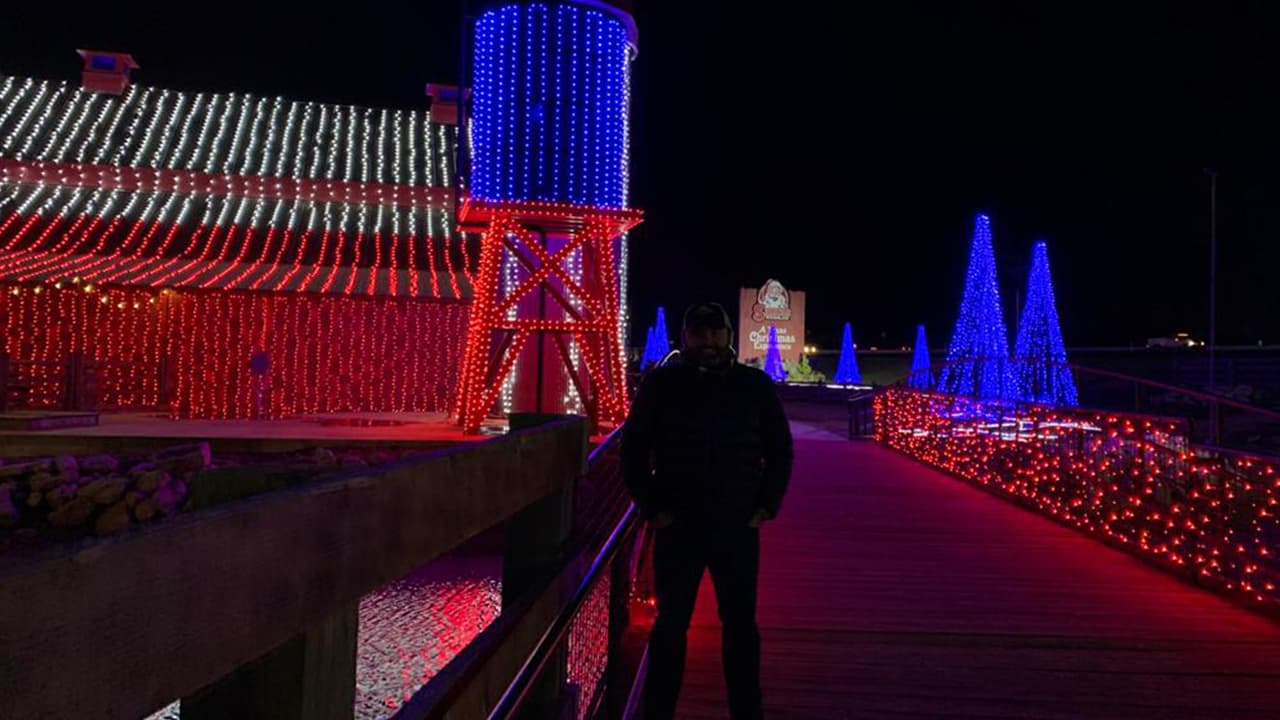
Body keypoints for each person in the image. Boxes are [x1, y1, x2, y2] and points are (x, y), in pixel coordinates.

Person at [622, 302, 794, 720]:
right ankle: (658, 711)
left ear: (729, 335)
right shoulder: (662, 385)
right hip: (678, 524)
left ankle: (746, 710)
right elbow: (633, 450)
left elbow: (780, 450)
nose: (710, 343)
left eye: (716, 334)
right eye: (700, 334)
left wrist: (766, 506)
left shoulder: (754, 385)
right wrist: (652, 506)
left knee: (740, 626)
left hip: (736, 524)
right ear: (686, 337)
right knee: (670, 625)